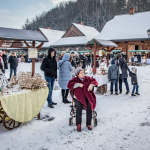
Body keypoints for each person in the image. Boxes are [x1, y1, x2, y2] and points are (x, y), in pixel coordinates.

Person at [67, 67, 98, 132]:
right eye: (81, 73)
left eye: (83, 72)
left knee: (89, 104)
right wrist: (77, 85)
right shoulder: (75, 79)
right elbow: (69, 85)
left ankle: (88, 123)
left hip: (86, 97)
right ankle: (78, 124)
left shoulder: (87, 78)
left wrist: (91, 85)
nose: (83, 74)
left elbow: (94, 80)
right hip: (77, 97)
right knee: (79, 106)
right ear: (77, 74)